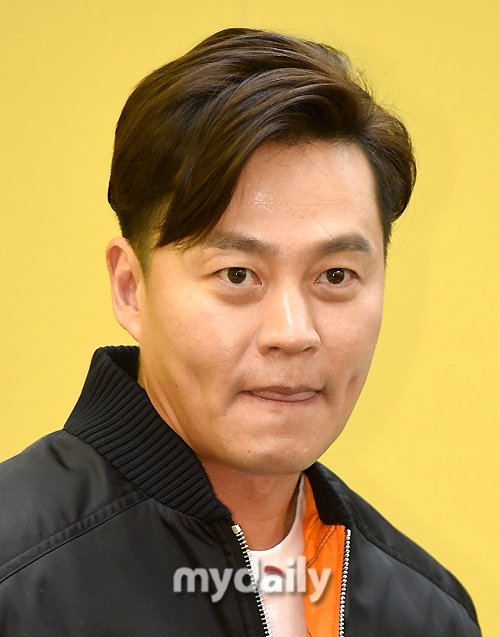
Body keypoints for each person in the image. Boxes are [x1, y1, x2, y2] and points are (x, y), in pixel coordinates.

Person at [0, 28, 480, 636]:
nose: (293, 333)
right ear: (130, 287)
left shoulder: (428, 615)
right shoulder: (17, 579)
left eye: (335, 275)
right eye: (237, 274)